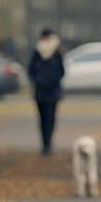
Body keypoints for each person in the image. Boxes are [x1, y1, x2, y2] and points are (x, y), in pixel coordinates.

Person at [28, 28, 65, 156]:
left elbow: (61, 71)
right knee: (43, 118)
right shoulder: (37, 52)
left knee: (50, 117)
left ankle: (48, 143)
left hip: (52, 91)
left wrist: (49, 79)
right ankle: (45, 144)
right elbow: (31, 70)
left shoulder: (57, 52)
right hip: (40, 92)